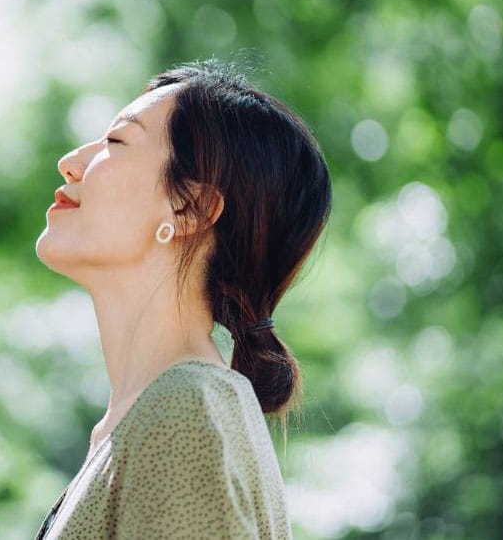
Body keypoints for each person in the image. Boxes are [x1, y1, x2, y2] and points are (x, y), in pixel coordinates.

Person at [32, 58, 332, 539]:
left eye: (116, 141)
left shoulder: (183, 411)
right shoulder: (151, 417)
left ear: (190, 207)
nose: (70, 162)